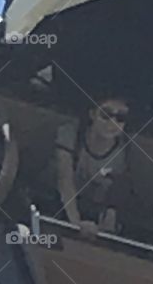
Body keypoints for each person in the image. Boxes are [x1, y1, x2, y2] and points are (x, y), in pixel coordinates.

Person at [54, 94, 132, 238]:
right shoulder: (70, 133)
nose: (112, 122)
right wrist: (76, 223)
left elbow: (116, 194)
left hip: (93, 209)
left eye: (121, 118)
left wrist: (105, 226)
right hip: (55, 202)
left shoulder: (124, 152)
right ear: (92, 114)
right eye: (106, 115)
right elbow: (64, 180)